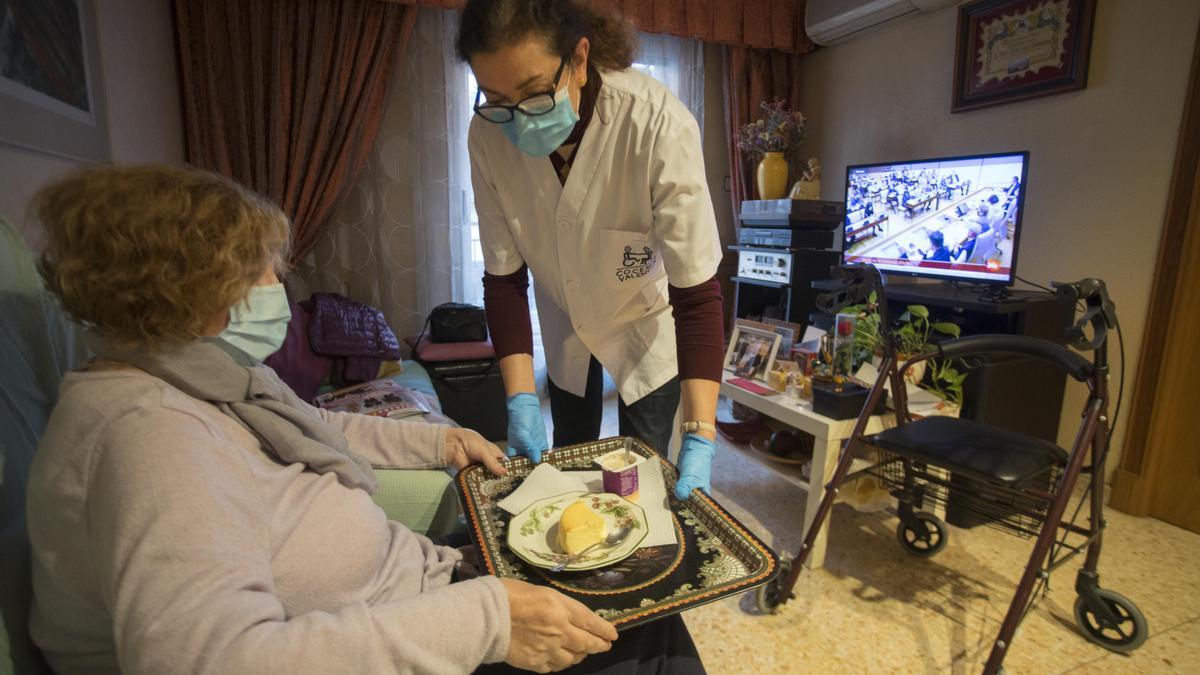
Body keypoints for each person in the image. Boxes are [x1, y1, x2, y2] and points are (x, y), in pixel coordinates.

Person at [25, 165, 622, 674]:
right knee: (638, 639)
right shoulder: (151, 437)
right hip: (426, 622)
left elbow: (318, 426)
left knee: (610, 569)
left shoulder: (198, 371)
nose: (277, 283)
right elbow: (216, 660)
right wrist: (490, 622)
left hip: (418, 582)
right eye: (261, 268)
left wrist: (444, 441)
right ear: (193, 290)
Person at [459, 0, 723, 503]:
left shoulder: (655, 122)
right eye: (495, 98)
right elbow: (504, 280)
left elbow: (697, 294)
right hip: (564, 314)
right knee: (565, 461)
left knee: (642, 477)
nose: (514, 119)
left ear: (579, 59)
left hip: (643, 321)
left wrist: (702, 434)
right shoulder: (486, 136)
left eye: (534, 93)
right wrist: (518, 398)